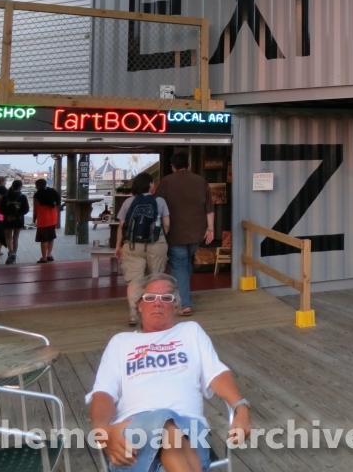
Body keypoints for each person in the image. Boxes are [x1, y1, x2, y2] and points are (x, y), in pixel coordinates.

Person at [87, 274, 251, 472]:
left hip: (190, 429)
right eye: (150, 298)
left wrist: (241, 408)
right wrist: (102, 431)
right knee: (163, 420)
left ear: (175, 306)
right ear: (139, 305)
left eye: (166, 298)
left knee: (167, 426)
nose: (157, 303)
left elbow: (216, 373)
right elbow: (104, 392)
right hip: (136, 428)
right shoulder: (121, 342)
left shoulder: (190, 332)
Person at [157, 154, 214, 316]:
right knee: (186, 262)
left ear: (173, 166)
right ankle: (184, 293)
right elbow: (209, 208)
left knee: (179, 266)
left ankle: (184, 303)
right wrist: (210, 229)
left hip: (175, 233)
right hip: (197, 233)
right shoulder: (200, 181)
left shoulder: (166, 181)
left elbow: (158, 207)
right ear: (188, 165)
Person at [115, 173, 171, 327]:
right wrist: (161, 238)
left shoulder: (128, 202)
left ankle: (134, 314)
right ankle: (155, 311)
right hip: (156, 244)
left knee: (134, 280)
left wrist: (118, 245)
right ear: (150, 184)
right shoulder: (159, 201)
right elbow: (166, 224)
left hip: (132, 245)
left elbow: (121, 226)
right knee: (156, 278)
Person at [32, 178, 61, 264]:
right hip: (53, 218)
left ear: (38, 185)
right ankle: (49, 255)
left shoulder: (37, 194)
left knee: (43, 239)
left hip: (43, 218)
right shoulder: (52, 191)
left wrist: (34, 219)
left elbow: (35, 208)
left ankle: (44, 257)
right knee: (51, 237)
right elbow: (58, 203)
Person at [0, 180, 29, 264]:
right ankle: (14, 254)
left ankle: (11, 252)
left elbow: (1, 209)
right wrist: (18, 214)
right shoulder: (22, 196)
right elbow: (26, 209)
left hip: (7, 219)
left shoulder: (5, 196)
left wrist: (8, 214)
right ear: (20, 187)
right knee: (16, 237)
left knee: (8, 237)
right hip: (18, 219)